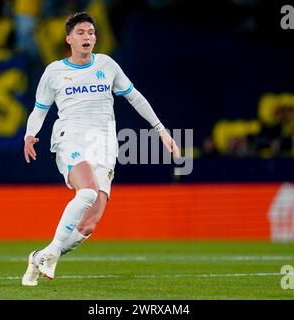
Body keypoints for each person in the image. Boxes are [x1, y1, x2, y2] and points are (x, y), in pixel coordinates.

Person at [21, 12, 180, 286]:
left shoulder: (107, 65)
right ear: (68, 38)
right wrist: (30, 135)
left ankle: (43, 255)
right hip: (70, 137)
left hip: (104, 144)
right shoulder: (54, 72)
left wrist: (160, 129)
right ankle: (50, 255)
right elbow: (39, 109)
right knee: (86, 192)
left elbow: (135, 97)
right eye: (81, 32)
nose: (87, 37)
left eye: (91, 33)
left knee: (89, 225)